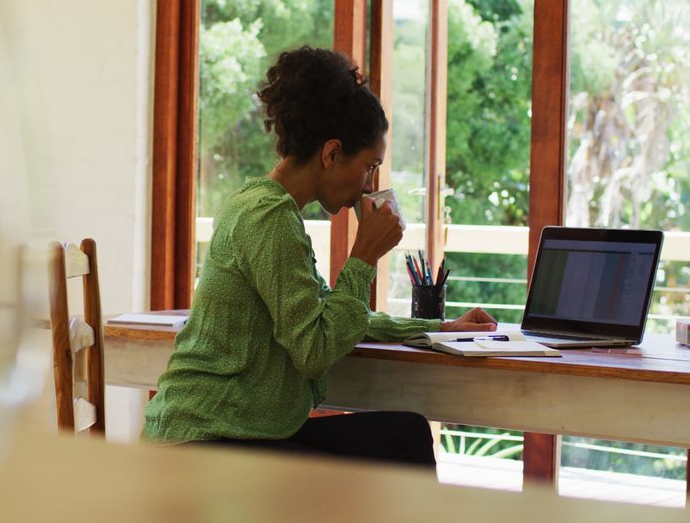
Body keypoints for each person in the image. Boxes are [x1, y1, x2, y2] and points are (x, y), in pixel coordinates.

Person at [142, 46, 497, 467]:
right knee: (401, 443)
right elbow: (315, 349)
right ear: (331, 154)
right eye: (370, 166)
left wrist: (438, 327)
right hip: (203, 442)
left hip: (235, 435)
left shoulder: (266, 208)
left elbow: (327, 315)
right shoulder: (268, 218)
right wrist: (363, 257)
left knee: (402, 435)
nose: (369, 185)